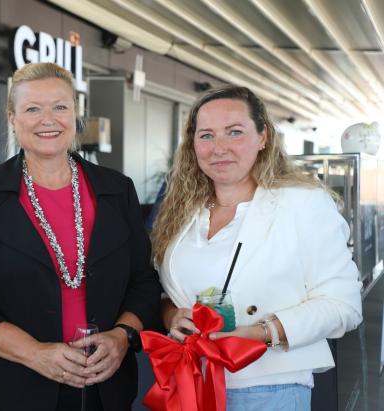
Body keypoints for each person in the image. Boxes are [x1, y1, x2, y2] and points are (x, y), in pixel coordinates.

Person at [0, 62, 160, 411]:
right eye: (32, 109)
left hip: (103, 389)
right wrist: (35, 354)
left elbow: (144, 283)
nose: (48, 119)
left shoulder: (116, 190)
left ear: (75, 113)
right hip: (9, 392)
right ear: (12, 118)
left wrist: (122, 337)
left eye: (60, 107)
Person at [151, 85, 362, 410]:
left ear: (263, 136)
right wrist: (172, 317)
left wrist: (263, 332)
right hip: (192, 381)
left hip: (269, 389)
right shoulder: (181, 212)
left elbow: (343, 305)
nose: (218, 147)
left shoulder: (302, 203)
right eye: (206, 135)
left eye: (234, 132)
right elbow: (167, 294)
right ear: (193, 144)